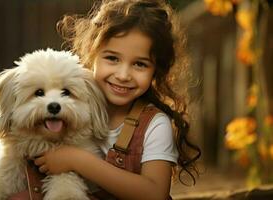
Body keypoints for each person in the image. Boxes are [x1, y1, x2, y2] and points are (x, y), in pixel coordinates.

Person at [34, 0, 201, 199]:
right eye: (112, 58)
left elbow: (155, 193)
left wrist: (78, 160)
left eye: (139, 64)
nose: (123, 75)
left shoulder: (155, 125)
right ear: (91, 54)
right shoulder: (70, 107)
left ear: (156, 71)